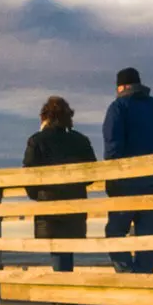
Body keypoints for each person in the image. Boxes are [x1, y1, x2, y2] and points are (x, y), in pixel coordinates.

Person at [100, 67, 153, 273]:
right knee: (148, 237)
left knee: (115, 231)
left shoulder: (118, 107)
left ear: (121, 86)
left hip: (125, 183)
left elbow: (112, 148)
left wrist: (112, 177)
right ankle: (145, 278)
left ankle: (128, 274)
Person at [23, 95, 96, 272]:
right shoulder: (80, 140)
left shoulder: (37, 140)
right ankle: (64, 292)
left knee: (57, 250)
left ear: (45, 117)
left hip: (49, 205)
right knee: (65, 251)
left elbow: (28, 174)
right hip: (75, 204)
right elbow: (92, 173)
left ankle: (63, 295)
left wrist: (37, 195)